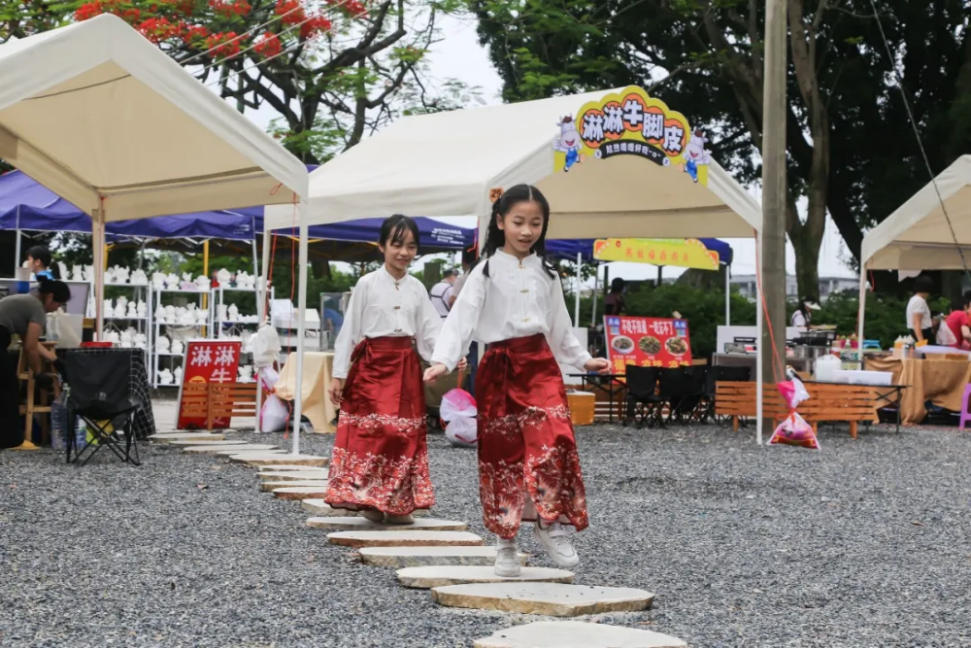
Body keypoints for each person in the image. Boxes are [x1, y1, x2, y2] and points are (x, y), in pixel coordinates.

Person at [423, 184, 610, 577]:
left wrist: (583, 359)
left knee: (555, 440)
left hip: (540, 364)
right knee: (502, 455)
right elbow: (461, 320)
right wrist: (442, 359)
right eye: (519, 222)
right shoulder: (485, 270)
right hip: (498, 366)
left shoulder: (548, 272)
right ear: (500, 222)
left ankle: (549, 521)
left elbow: (560, 327)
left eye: (536, 223)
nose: (527, 231)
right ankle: (505, 542)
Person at [325, 215, 444, 524]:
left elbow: (431, 330)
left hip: (405, 366)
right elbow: (350, 330)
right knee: (374, 431)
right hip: (371, 366)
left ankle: (398, 501)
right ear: (381, 246)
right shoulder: (366, 284)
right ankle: (369, 499)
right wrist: (339, 374)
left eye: (411, 246)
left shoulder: (417, 288)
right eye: (397, 245)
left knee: (402, 434)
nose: (404, 252)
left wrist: (446, 356)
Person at [0, 278, 70, 449]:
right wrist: (39, 373)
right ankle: (11, 440)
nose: (57, 308)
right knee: (8, 389)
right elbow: (30, 347)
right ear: (50, 297)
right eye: (59, 304)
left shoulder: (28, 301)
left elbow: (28, 340)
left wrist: (53, 359)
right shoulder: (37, 309)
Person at [905, 275, 934, 343]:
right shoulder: (919, 301)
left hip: (917, 332)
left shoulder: (913, 299)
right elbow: (916, 322)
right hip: (922, 333)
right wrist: (921, 342)